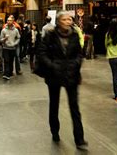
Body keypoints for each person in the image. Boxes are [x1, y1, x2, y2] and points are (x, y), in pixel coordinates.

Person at [37, 11, 88, 150]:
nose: (68, 21)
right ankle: (55, 131)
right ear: (59, 21)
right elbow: (42, 53)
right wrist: (53, 65)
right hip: (54, 75)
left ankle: (79, 139)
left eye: (70, 19)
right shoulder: (50, 35)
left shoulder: (74, 35)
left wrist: (75, 64)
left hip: (71, 74)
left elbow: (79, 53)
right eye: (65, 19)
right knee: (54, 104)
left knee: (74, 107)